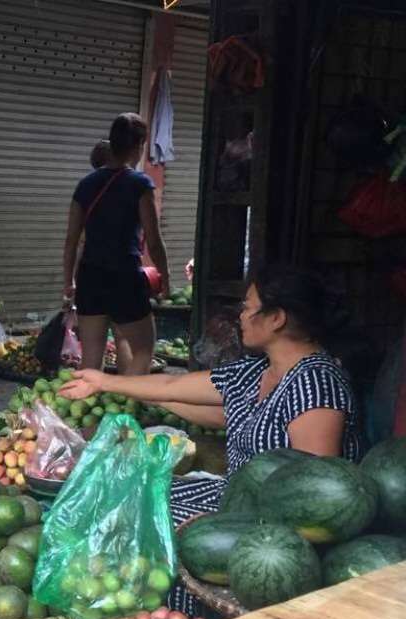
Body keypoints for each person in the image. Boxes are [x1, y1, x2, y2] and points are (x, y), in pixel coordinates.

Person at [59, 264, 362, 519]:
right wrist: (102, 381)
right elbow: (172, 386)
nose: (241, 315)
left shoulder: (315, 385)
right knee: (119, 488)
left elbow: (318, 496)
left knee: (136, 515)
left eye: (248, 307)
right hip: (233, 497)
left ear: (276, 318)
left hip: (266, 524)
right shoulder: (256, 371)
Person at [62, 113, 170, 374]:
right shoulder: (140, 184)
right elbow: (154, 240)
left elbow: (72, 240)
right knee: (142, 351)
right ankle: (129, 408)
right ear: (140, 145)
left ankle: (89, 410)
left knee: (91, 360)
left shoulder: (85, 185)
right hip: (124, 278)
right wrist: (165, 277)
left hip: (90, 278)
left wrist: (69, 282)